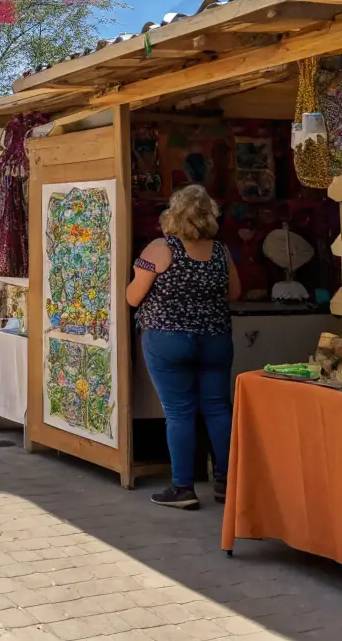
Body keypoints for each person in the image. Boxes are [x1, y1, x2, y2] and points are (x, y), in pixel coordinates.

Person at [126, 184, 240, 511]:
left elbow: (133, 297)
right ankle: (226, 482)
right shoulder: (220, 251)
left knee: (179, 413)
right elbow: (234, 292)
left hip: (168, 339)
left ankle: (183, 488)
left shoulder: (161, 248)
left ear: (173, 214)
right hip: (215, 339)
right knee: (218, 409)